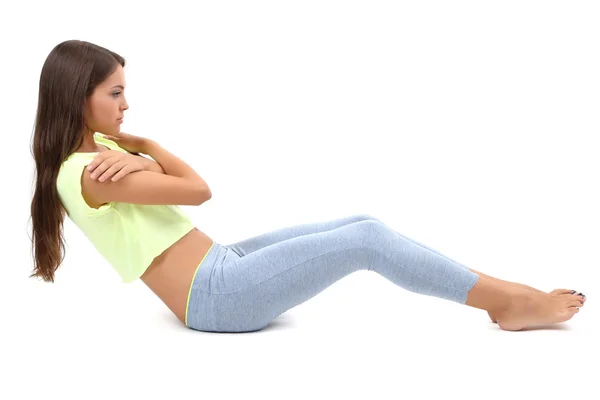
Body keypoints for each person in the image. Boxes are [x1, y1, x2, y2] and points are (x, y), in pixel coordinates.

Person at [29, 40, 586, 333]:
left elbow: (178, 183)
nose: (127, 105)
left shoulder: (105, 153)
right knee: (366, 242)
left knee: (360, 222)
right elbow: (198, 191)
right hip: (217, 298)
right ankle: (510, 302)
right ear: (78, 97)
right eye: (115, 93)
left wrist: (143, 149)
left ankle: (505, 297)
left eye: (126, 92)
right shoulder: (87, 173)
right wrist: (147, 153)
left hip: (221, 262)